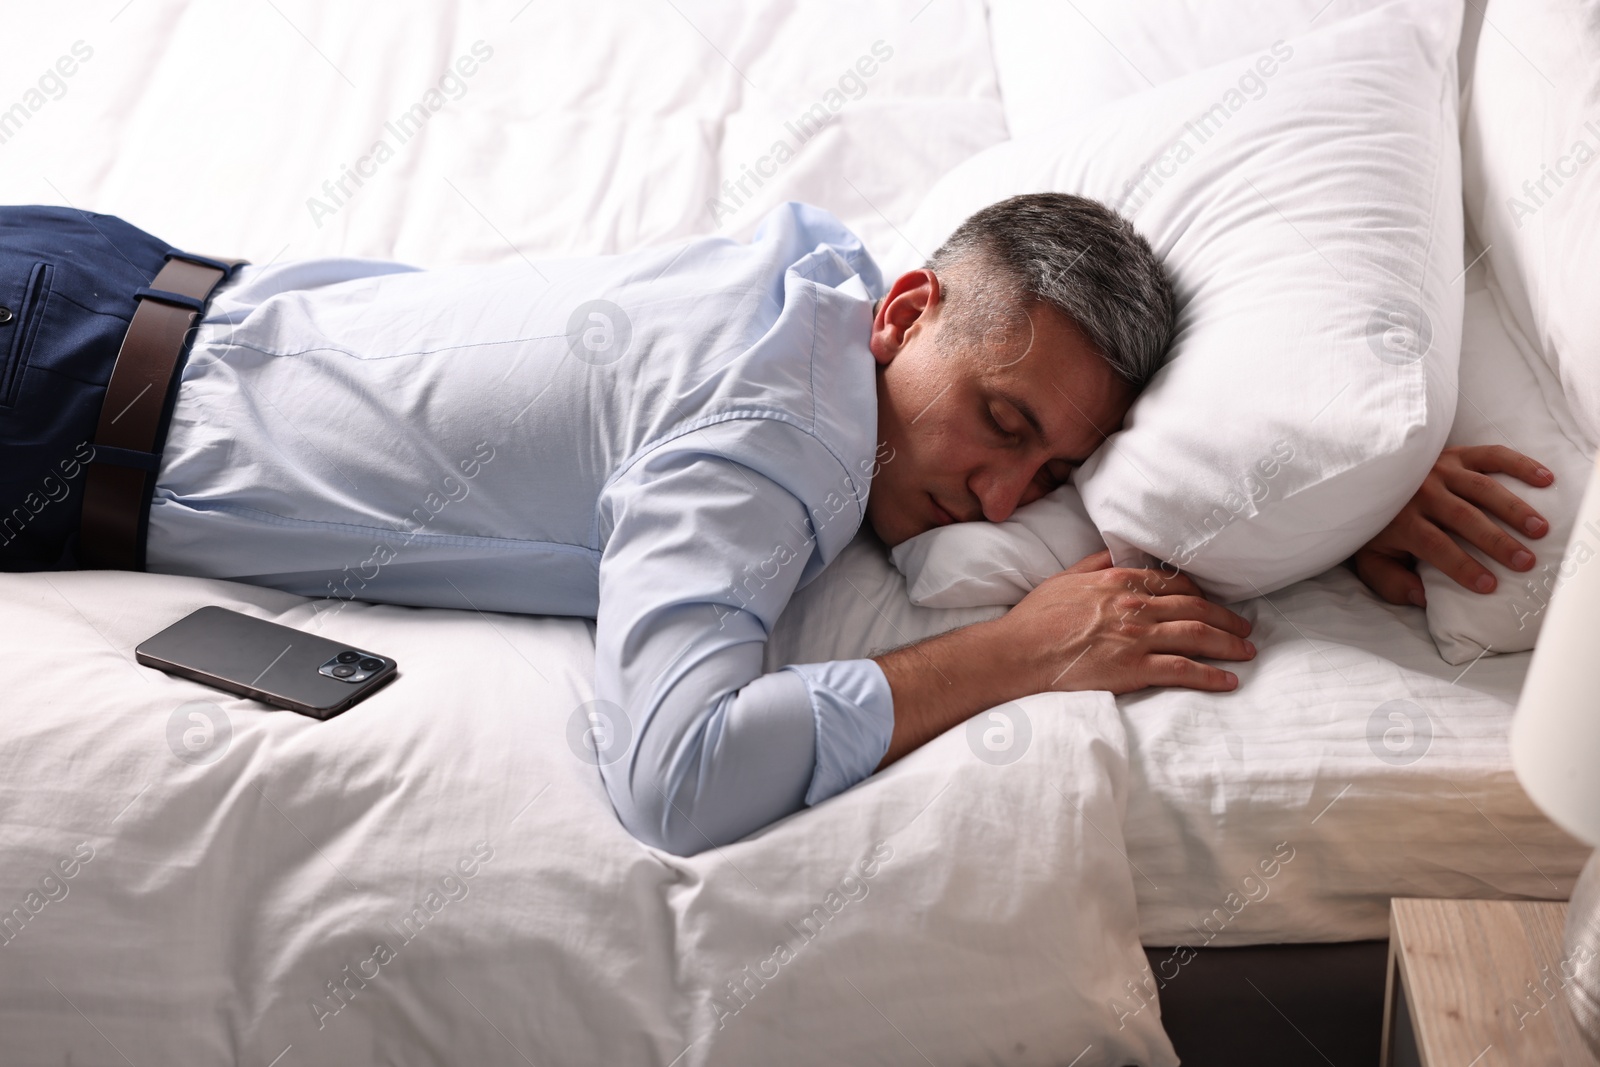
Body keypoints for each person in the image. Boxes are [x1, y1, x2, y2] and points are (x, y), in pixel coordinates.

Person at [0, 195, 1552, 856]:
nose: (999, 497)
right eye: (1002, 431)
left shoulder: (822, 280)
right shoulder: (774, 443)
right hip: (49, 414)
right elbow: (672, 779)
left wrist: (1314, 499)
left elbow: (1073, 430)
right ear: (909, 312)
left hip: (96, 288)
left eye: (1049, 471)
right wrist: (1013, 656)